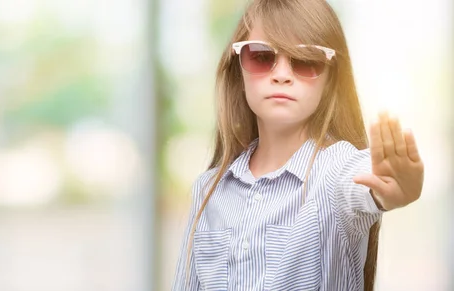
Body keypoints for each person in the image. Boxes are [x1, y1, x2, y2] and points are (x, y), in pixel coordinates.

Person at [170, 0, 425, 290]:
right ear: (238, 70)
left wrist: (398, 190)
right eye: (261, 57)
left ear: (330, 81)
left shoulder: (336, 173)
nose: (281, 74)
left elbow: (365, 182)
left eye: (306, 60)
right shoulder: (208, 190)